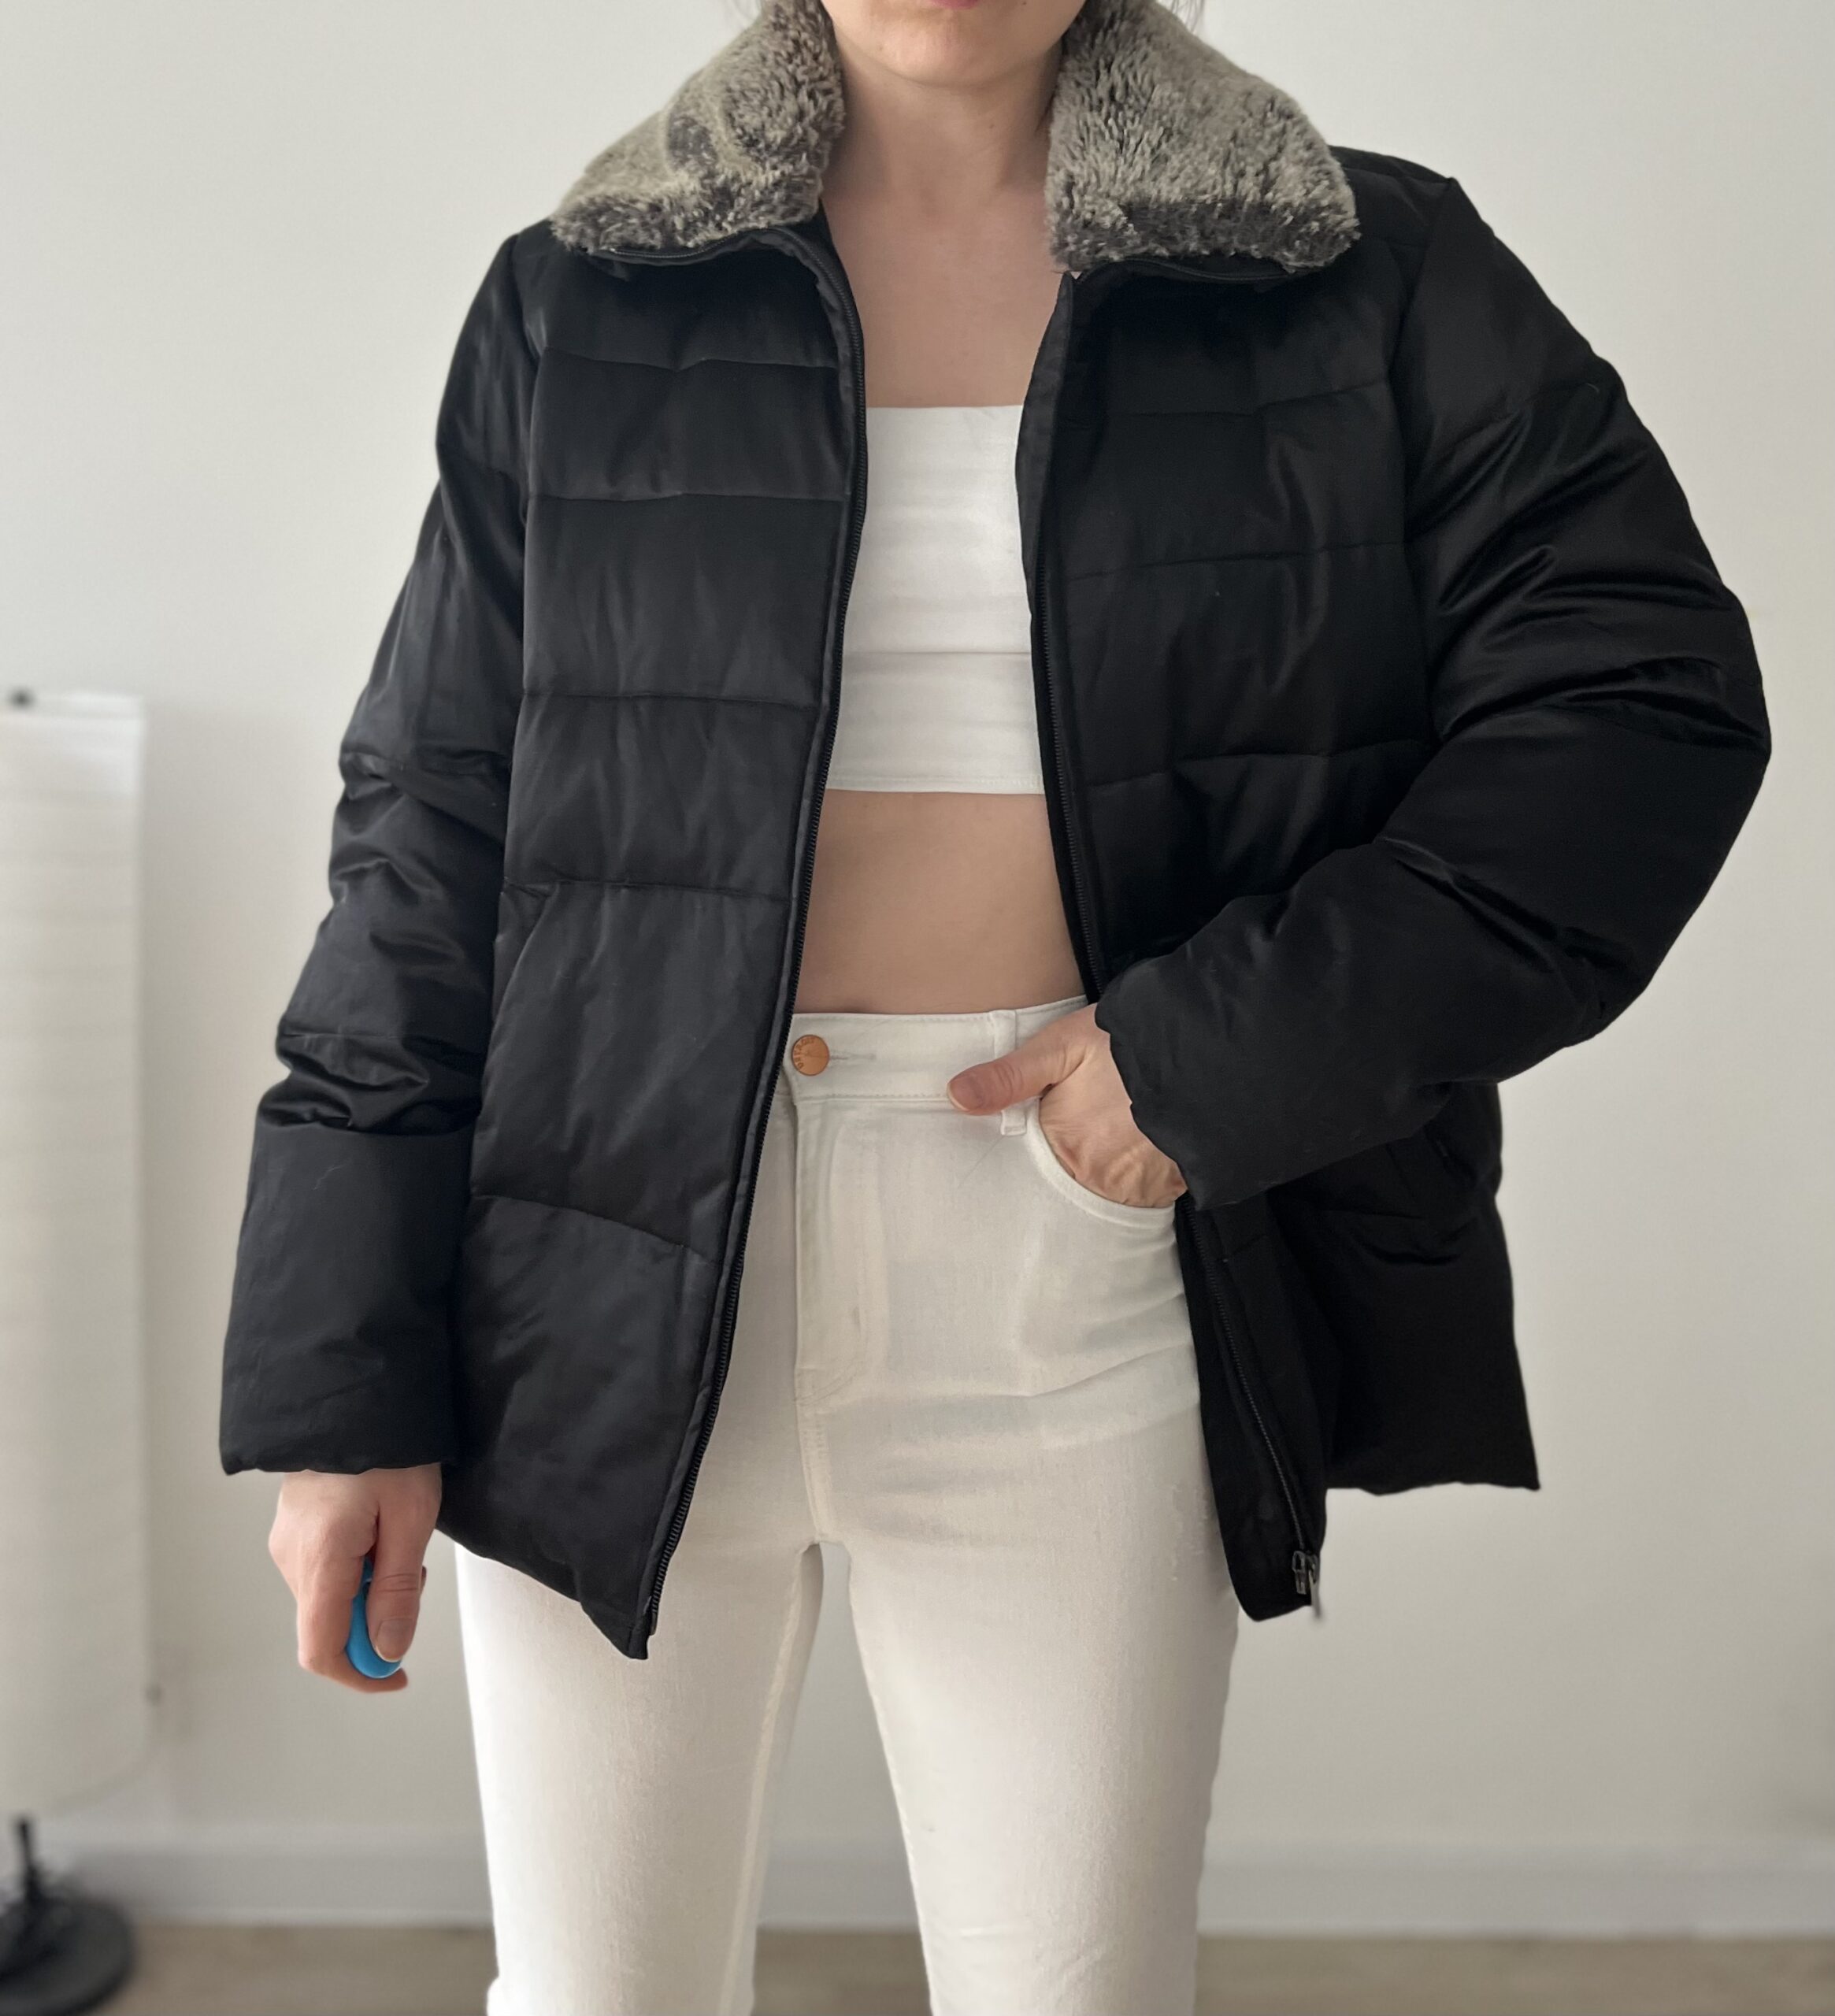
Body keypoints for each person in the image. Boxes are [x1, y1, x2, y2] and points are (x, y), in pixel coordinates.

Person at [219, 1, 1770, 2009]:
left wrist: (1201, 1067)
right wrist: (340, 1383)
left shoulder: (1358, 269)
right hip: (591, 1269)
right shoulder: (581, 297)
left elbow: (1637, 710)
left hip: (1071, 1266)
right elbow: (428, 842)